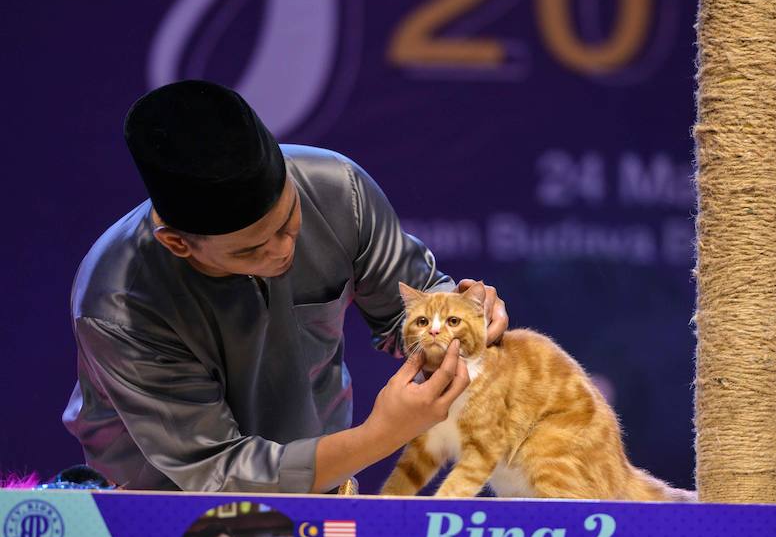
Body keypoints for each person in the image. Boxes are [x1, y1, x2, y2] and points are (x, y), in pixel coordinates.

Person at [62, 80, 508, 492]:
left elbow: (405, 313)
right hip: (159, 514)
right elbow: (220, 472)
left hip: (324, 490)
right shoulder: (119, 304)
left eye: (289, 220)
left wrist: (467, 321)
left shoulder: (338, 191)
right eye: (249, 250)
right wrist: (381, 435)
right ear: (179, 244)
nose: (282, 251)